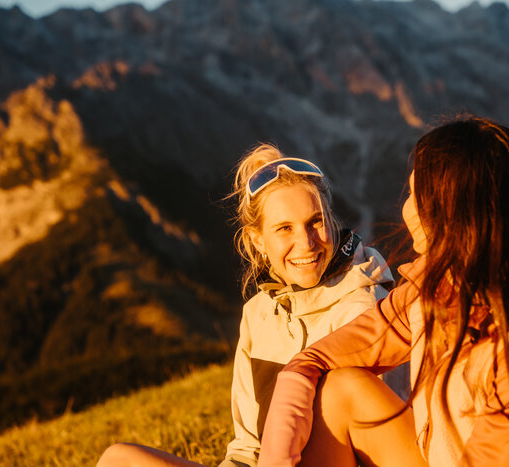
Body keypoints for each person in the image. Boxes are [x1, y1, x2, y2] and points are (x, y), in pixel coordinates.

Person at [257, 116, 509, 466]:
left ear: (455, 211)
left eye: (413, 194)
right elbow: (321, 358)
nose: (406, 210)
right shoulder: (437, 289)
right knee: (341, 389)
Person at [96, 144, 395, 467]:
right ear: (257, 240)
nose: (307, 243)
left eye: (315, 222)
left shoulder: (364, 308)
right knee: (118, 459)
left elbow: (379, 450)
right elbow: (247, 447)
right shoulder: (258, 315)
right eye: (284, 229)